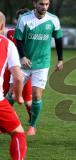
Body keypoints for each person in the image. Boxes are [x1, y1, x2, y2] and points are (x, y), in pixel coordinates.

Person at [12, 0, 63, 136]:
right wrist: (22, 57)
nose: (44, 7)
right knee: (12, 94)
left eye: (46, 4)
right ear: (35, 4)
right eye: (41, 4)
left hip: (42, 64)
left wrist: (60, 60)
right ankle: (4, 121)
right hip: (24, 64)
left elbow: (58, 40)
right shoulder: (24, 19)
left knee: (36, 95)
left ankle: (32, 126)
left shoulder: (53, 20)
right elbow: (19, 40)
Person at [0, 11, 27, 159]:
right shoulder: (7, 44)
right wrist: (18, 96)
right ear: (2, 26)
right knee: (18, 133)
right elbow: (18, 76)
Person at [4, 8, 32, 123]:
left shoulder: (32, 34)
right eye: (19, 18)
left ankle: (32, 120)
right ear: (16, 20)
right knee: (4, 94)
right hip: (8, 68)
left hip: (24, 69)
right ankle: (8, 119)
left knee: (28, 99)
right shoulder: (9, 32)